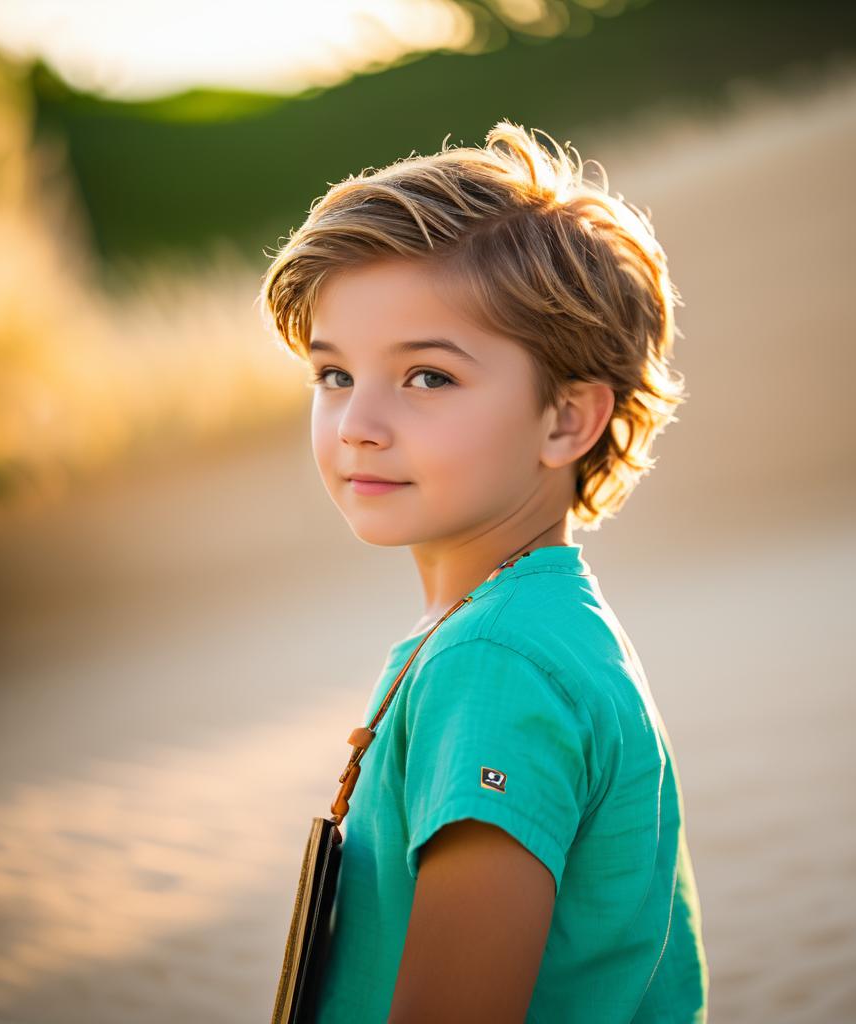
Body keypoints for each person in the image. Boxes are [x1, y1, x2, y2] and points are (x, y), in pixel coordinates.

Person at [257, 120, 708, 1022]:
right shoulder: (536, 626)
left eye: (427, 378)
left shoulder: (497, 661)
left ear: (566, 420)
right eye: (335, 375)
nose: (358, 424)